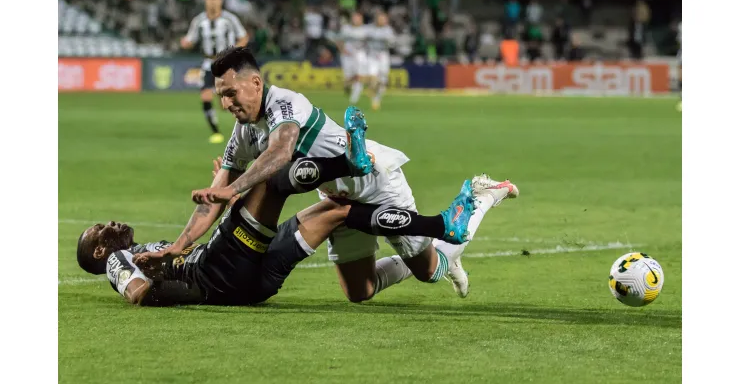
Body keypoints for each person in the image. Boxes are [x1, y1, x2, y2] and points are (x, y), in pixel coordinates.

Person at [179, 46, 520, 301]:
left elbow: (280, 151)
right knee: (361, 291)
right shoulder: (243, 134)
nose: (225, 103)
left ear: (255, 83)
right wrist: (178, 247)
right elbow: (213, 197)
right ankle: (440, 248)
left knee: (428, 272)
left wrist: (235, 187)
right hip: (338, 198)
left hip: (374, 181)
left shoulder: (285, 102)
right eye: (221, 96)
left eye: (230, 93)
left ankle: (482, 196)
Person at [77, 152, 478, 306]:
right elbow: (138, 291)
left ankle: (444, 242)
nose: (110, 225)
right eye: (101, 230)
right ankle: (349, 163)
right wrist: (176, 286)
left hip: (249, 282)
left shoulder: (138, 249)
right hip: (216, 273)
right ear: (100, 251)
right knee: (268, 180)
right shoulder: (116, 259)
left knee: (338, 211)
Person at [181, 0, 248, 144]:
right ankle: (216, 132)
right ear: (205, 1)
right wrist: (185, 43)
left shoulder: (230, 19)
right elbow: (190, 39)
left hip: (228, 63)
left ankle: (244, 131)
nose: (212, 2)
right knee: (205, 95)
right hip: (208, 63)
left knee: (228, 102)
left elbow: (243, 36)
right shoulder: (198, 21)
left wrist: (234, 51)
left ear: (221, 1)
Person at [337, 12, 369, 104]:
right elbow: (339, 40)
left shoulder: (365, 30)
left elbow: (369, 42)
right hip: (347, 55)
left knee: (359, 75)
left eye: (358, 18)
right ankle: (347, 86)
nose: (356, 20)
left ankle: (354, 98)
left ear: (361, 19)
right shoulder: (346, 29)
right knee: (348, 77)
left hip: (360, 54)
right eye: (354, 18)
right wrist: (342, 50)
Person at [366, 12, 395, 111]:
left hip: (383, 55)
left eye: (384, 19)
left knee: (383, 79)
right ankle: (373, 92)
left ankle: (377, 98)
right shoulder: (370, 29)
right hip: (372, 55)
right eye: (381, 19)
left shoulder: (388, 30)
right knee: (373, 76)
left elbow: (391, 42)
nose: (383, 21)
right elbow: (364, 38)